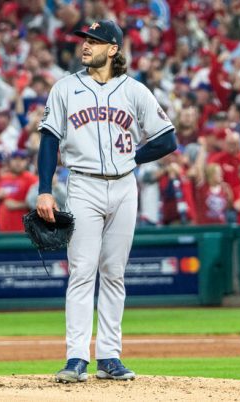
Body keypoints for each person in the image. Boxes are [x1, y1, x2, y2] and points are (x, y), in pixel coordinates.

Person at [35, 20, 177, 383]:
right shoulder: (65, 88)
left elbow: (167, 139)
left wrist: (135, 159)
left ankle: (110, 356)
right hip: (83, 185)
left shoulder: (135, 91)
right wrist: (45, 189)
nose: (86, 45)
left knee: (114, 273)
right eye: (84, 40)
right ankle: (76, 358)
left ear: (113, 49)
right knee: (82, 271)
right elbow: (49, 140)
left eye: (94, 41)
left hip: (124, 187)